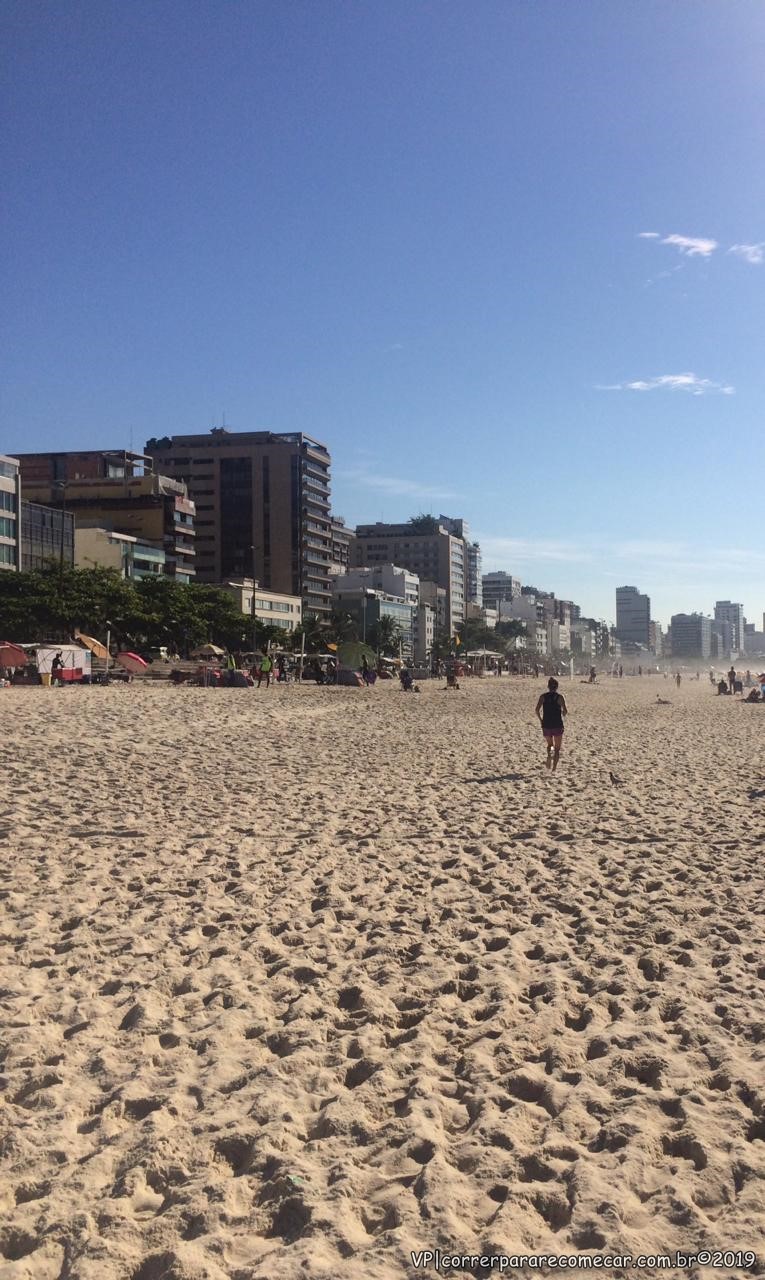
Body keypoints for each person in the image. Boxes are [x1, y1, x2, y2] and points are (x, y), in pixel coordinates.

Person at [536, 676, 568, 772]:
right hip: (557, 725)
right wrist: (562, 713)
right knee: (557, 749)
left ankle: (549, 755)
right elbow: (565, 711)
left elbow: (537, 710)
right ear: (556, 687)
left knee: (550, 744)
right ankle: (554, 768)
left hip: (546, 725)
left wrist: (541, 720)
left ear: (548, 686)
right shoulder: (559, 697)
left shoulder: (543, 697)